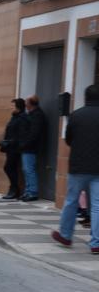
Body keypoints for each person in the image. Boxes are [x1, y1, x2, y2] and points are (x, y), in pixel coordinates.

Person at [51, 84, 99, 255]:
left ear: (86, 97)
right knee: (97, 205)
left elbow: (69, 139)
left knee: (71, 201)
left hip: (78, 166)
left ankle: (65, 235)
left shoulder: (76, 116)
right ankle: (96, 243)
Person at [19, 94, 46, 201]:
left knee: (29, 169)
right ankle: (28, 191)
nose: (25, 106)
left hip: (31, 147)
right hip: (28, 147)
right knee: (26, 169)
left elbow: (34, 134)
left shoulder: (37, 115)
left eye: (26, 103)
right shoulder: (32, 114)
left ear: (30, 104)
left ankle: (32, 192)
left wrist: (24, 144)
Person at [0, 98, 27, 199]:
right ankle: (13, 189)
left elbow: (21, 135)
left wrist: (10, 142)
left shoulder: (22, 118)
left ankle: (14, 189)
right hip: (10, 148)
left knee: (8, 167)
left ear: (18, 108)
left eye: (13, 106)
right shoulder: (14, 117)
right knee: (11, 168)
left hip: (15, 149)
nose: (10, 108)